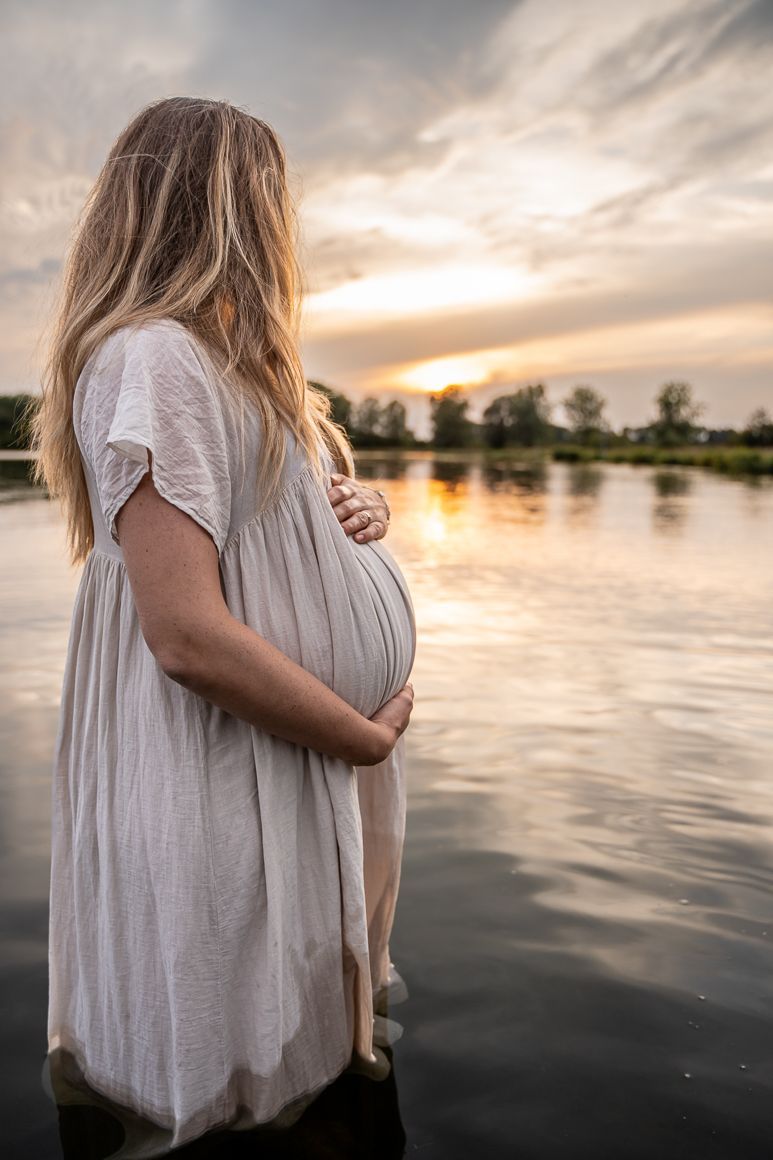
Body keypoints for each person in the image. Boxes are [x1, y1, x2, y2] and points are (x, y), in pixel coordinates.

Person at [29, 95, 416, 1154]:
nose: (278, 219)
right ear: (221, 205)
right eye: (265, 191)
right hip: (226, 753)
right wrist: (354, 731)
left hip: (276, 752)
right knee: (220, 1065)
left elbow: (268, 528)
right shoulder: (153, 357)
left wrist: (359, 513)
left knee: (286, 1058)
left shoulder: (229, 367)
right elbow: (185, 632)